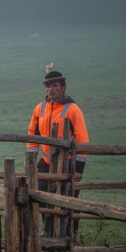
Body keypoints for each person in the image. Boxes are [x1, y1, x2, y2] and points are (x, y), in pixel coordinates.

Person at [26, 70, 89, 234]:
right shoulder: (39, 108)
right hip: (46, 163)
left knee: (70, 201)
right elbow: (33, 135)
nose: (50, 89)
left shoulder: (73, 110)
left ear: (63, 88)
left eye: (54, 85)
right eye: (48, 86)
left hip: (67, 165)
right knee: (40, 198)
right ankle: (48, 233)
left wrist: (79, 170)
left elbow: (82, 140)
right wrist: (31, 159)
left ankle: (70, 237)